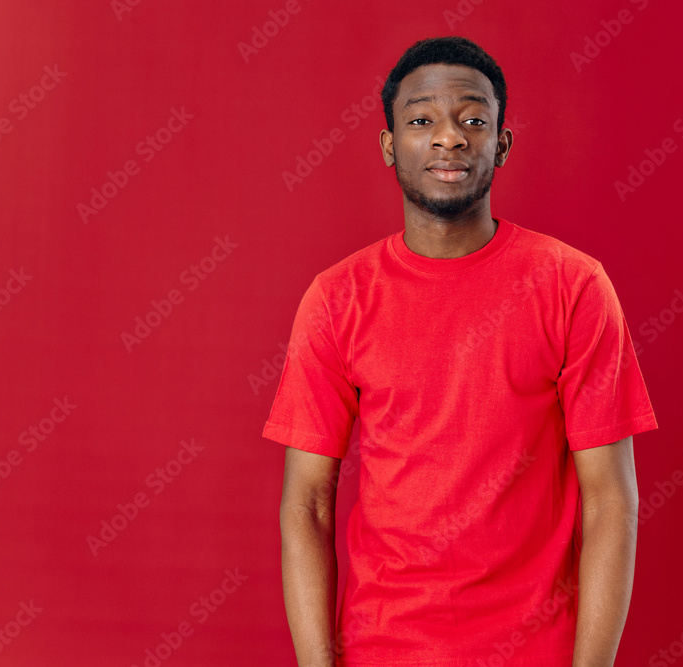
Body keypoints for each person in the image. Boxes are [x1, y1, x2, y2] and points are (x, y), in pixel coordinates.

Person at [263, 35, 658, 667]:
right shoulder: (336, 299)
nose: (449, 137)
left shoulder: (573, 286)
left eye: (473, 119)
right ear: (390, 145)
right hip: (380, 650)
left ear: (502, 142)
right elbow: (307, 503)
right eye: (421, 120)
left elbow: (610, 500)